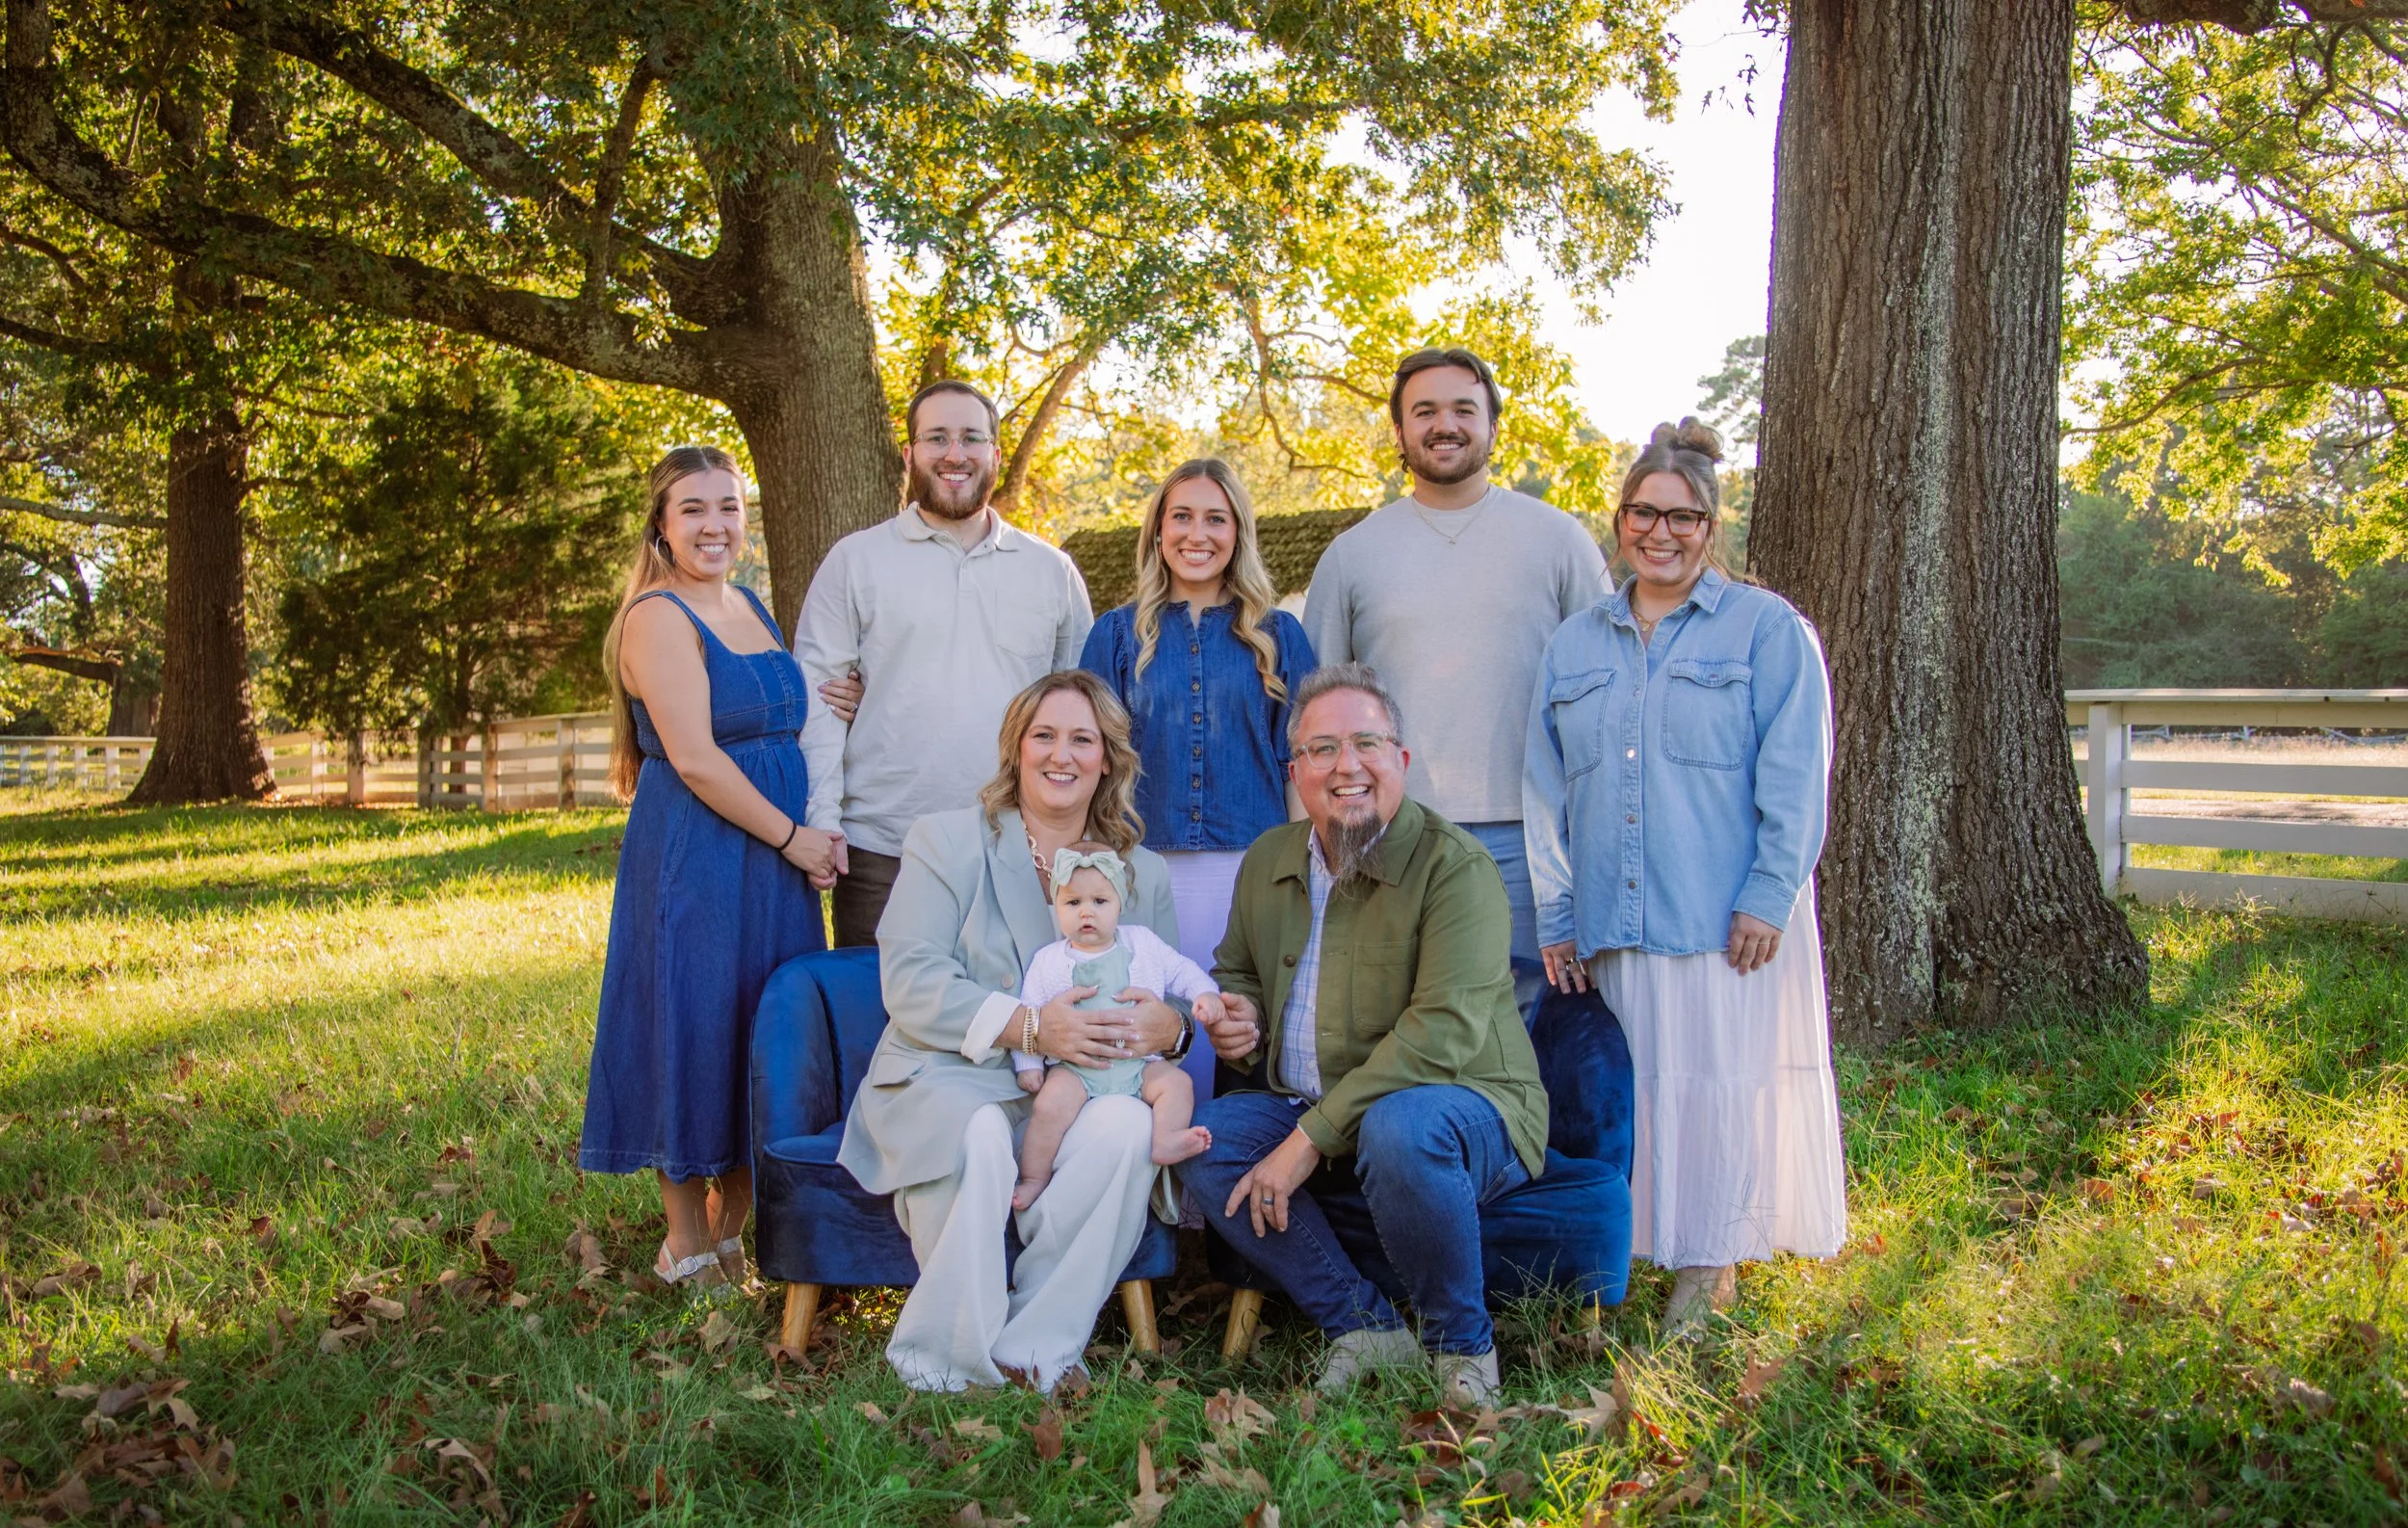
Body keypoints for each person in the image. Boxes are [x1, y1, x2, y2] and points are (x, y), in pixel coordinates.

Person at [1523, 418, 1845, 1339]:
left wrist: (1768, 893)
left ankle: (1708, 1273)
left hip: (1721, 918)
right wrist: (1555, 911)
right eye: (1642, 514)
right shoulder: (1574, 646)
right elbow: (1541, 788)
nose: (1660, 533)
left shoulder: (1765, 630)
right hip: (1608, 922)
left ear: (1711, 525)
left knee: (1715, 1090)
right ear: (1617, 520)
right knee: (1631, 1097)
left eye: (1683, 517)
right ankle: (1623, 1261)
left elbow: (1796, 772)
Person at [1182, 663, 1551, 1408]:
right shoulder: (1268, 860)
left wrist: (1305, 1142)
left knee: (1400, 1127)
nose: (1346, 766)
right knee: (1206, 1140)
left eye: (1366, 744)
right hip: (1312, 1102)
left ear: (1401, 761)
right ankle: (1363, 1325)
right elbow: (1238, 971)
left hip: (1463, 1104)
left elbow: (1438, 1036)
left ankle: (1461, 1347)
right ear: (1296, 772)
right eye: (1322, 750)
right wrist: (1240, 1019)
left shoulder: (1457, 869)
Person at [835, 671, 1195, 1391]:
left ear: (1107, 759)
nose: (1061, 755)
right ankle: (945, 1360)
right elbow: (909, 978)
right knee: (979, 1131)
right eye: (1044, 736)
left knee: (1127, 1126)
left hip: (1083, 1088)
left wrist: (1173, 1029)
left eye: (1082, 740)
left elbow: (1163, 987)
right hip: (951, 1069)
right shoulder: (947, 842)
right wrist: (1031, 1027)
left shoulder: (1141, 872)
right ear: (1016, 749)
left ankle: (1035, 1347)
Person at [580, 446, 847, 1294]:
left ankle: (734, 1234)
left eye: (728, 506)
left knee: (757, 1028)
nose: (714, 525)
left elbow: (777, 712)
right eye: (693, 508)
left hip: (768, 864)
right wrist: (794, 838)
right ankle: (685, 1242)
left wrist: (842, 696)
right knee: (690, 1024)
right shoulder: (657, 618)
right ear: (661, 522)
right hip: (700, 855)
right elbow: (695, 758)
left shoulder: (749, 605)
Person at [1302, 349, 1606, 964]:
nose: (1446, 424)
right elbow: (1316, 715)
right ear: (1400, 432)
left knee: (1520, 1023)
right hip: (1390, 831)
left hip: (1533, 841)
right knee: (1391, 1016)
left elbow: (1609, 690)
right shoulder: (1352, 555)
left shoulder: (1560, 541)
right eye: (1425, 411)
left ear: (1494, 425)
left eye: (1464, 409)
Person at [795, 380, 1093, 947]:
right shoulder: (856, 561)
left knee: (1020, 1026)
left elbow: (1086, 711)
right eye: (936, 438)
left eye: (971, 439)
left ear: (996, 455)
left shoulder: (1050, 571)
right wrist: (823, 818)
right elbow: (819, 701)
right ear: (909, 454)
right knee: (880, 1027)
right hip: (884, 848)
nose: (954, 454)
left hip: (1022, 846)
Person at [1080, 458, 1314, 1097]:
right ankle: (1160, 1184)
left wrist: (1308, 872)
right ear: (1158, 532)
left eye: (1216, 518)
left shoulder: (1278, 635)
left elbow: (1299, 764)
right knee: (1156, 1032)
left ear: (1238, 532)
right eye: (1181, 516)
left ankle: (1229, 1176)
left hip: (1253, 871)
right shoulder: (1116, 635)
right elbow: (1089, 762)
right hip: (1143, 872)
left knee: (1239, 1028)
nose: (1197, 533)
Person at [1008, 844, 1223, 1209]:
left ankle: (1166, 1138)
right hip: (1076, 1068)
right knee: (1047, 1108)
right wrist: (1028, 1066)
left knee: (1177, 1084)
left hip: (1139, 1064)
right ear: (1056, 908)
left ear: (1119, 904)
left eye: (1100, 901)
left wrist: (1205, 993)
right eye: (1073, 903)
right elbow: (1030, 1013)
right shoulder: (1048, 962)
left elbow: (1180, 969)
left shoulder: (1141, 942)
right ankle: (1033, 1178)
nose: (1086, 913)